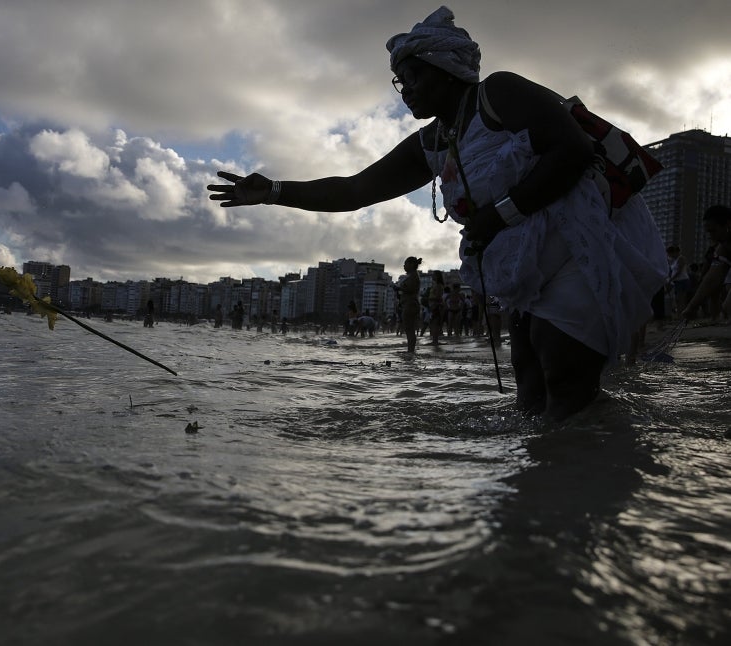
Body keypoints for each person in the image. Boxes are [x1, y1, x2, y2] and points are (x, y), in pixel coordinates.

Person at [207, 6, 666, 420]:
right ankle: (543, 489)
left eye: (413, 78)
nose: (404, 91)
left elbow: (572, 151)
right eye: (399, 82)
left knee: (563, 373)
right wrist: (273, 191)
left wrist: (498, 215)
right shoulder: (434, 140)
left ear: (446, 70)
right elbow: (355, 190)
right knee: (529, 386)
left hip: (578, 248)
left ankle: (600, 477)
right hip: (528, 268)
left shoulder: (499, 94)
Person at [681, 205, 731, 321]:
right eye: (708, 232)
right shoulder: (722, 248)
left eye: (713, 231)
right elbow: (712, 278)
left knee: (727, 307)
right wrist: (692, 306)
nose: (711, 236)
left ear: (728, 224)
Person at [396, 256, 422, 352]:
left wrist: (399, 288)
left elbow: (411, 289)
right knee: (409, 329)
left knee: (409, 329)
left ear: (411, 265)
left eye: (405, 264)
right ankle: (410, 350)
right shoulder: (413, 275)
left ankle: (410, 351)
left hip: (410, 304)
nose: (404, 266)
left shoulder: (413, 276)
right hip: (410, 303)